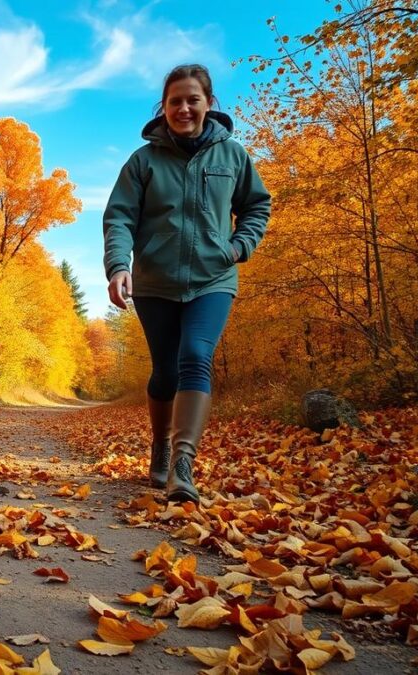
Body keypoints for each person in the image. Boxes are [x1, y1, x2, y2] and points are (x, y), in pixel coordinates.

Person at [102, 64, 270, 503]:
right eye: (175, 100)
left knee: (196, 356)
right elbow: (120, 217)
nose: (184, 108)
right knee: (165, 373)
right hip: (155, 282)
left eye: (192, 99)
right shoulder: (143, 161)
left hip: (213, 278)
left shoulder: (232, 156)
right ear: (165, 107)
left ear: (208, 103)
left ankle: (182, 464)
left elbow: (257, 207)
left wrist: (238, 247)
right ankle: (159, 447)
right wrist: (119, 266)